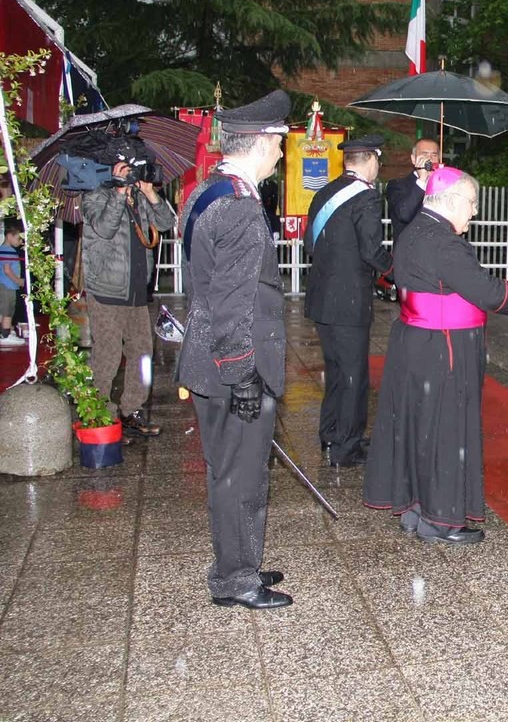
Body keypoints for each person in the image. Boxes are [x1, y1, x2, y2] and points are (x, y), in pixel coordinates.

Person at [363, 167, 508, 544]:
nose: (474, 213)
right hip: (443, 347)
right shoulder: (444, 242)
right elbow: (488, 293)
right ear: (454, 200)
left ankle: (415, 508)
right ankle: (441, 520)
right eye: (473, 204)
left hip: (414, 342)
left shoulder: (412, 231)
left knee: (416, 426)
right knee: (445, 430)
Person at [177, 89, 292, 610]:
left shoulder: (206, 191)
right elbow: (231, 302)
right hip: (231, 362)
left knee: (233, 468)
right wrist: (241, 372)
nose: (282, 154)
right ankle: (234, 580)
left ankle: (238, 561)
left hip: (210, 355)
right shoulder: (241, 208)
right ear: (262, 142)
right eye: (279, 142)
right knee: (239, 473)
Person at [304, 134, 393, 466]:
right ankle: (347, 448)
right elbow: (372, 251)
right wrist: (398, 270)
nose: (379, 168)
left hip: (322, 298)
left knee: (336, 372)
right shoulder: (367, 198)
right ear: (370, 160)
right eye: (378, 162)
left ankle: (331, 435)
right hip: (349, 302)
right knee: (355, 375)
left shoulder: (325, 192)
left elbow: (310, 244)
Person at [80, 142, 178, 436]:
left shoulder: (141, 196)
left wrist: (150, 193)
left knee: (142, 353)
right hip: (107, 290)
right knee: (107, 355)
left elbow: (166, 223)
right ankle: (100, 416)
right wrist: (119, 192)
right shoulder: (95, 196)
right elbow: (105, 228)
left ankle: (131, 410)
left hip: (136, 289)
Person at [386, 137, 440, 244]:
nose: (429, 159)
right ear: (413, 159)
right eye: (424, 155)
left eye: (434, 155)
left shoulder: (443, 186)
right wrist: (422, 180)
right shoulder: (397, 186)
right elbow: (404, 214)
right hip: (409, 254)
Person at [0, 219, 24, 346]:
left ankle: (3, 332)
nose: (20, 242)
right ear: (10, 236)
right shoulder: (9, 251)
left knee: (1, 311)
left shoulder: (1, 249)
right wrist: (19, 281)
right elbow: (7, 270)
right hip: (8, 286)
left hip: (2, 284)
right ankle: (5, 336)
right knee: (8, 312)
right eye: (19, 238)